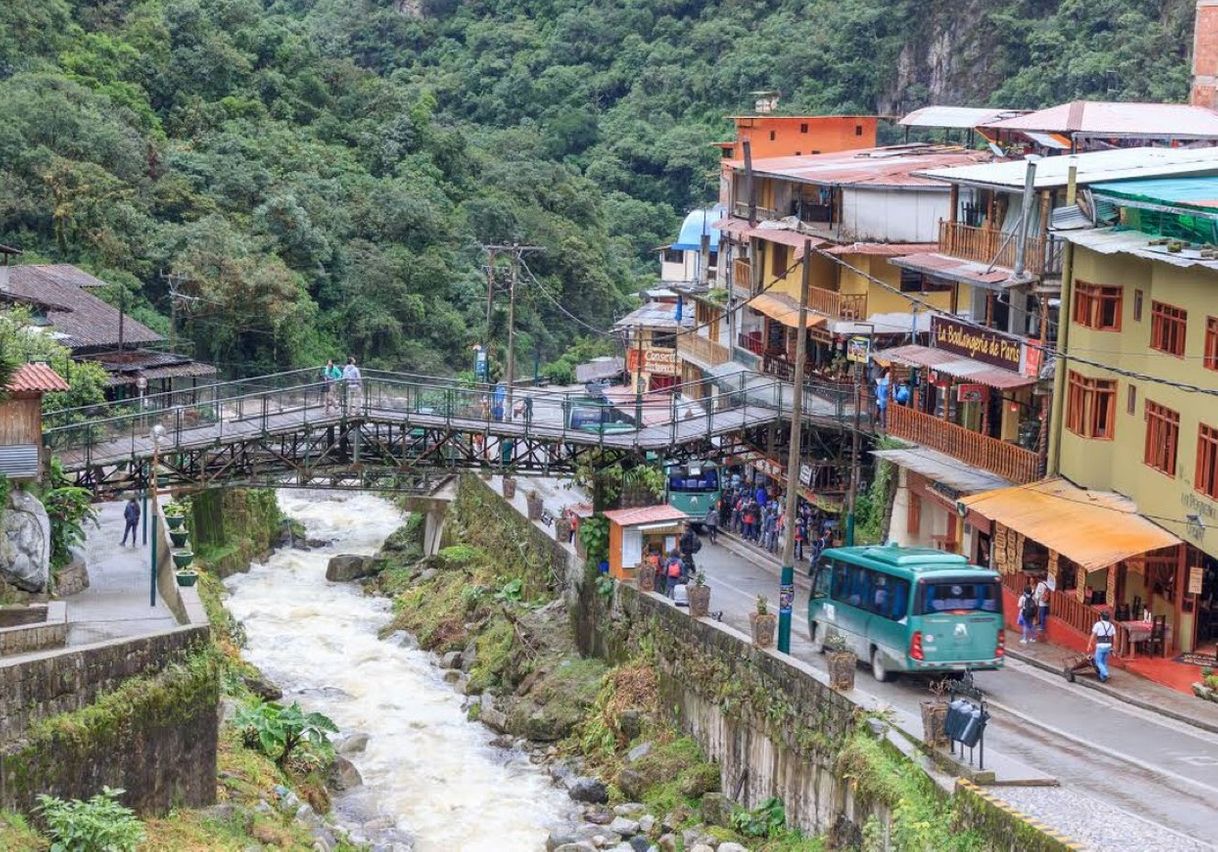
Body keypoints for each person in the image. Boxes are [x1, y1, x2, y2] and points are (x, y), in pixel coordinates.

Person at [1087, 610, 1117, 682]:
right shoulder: (1111, 626)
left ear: (1101, 617)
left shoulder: (1098, 624)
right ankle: (1102, 677)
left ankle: (1105, 673)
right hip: (1108, 645)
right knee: (1104, 661)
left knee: (1098, 661)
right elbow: (1115, 638)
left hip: (1100, 645)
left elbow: (1093, 635)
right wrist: (1114, 647)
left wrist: (1089, 644)